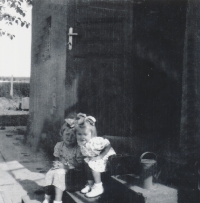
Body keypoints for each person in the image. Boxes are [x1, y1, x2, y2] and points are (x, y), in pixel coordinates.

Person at [74, 113, 116, 198]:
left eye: (85, 134)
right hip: (94, 155)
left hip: (106, 155)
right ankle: (90, 183)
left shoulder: (95, 142)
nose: (82, 137)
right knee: (87, 163)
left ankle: (98, 186)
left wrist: (100, 156)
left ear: (92, 133)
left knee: (94, 164)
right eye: (79, 134)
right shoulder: (81, 142)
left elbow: (108, 145)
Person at [43, 118, 84, 203]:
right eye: (67, 134)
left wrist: (64, 166)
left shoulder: (78, 148)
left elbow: (79, 165)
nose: (70, 137)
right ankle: (47, 197)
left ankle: (58, 200)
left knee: (59, 173)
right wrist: (56, 164)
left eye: (73, 135)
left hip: (74, 173)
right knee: (51, 172)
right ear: (62, 134)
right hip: (63, 169)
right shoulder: (59, 145)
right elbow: (56, 159)